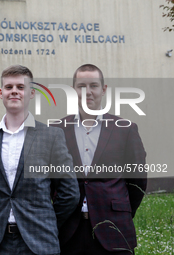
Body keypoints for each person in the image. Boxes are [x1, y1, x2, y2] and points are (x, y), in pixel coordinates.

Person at [0, 65, 80, 255]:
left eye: (20, 87)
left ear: (31, 93)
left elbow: (70, 192)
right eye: (9, 87)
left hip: (39, 240)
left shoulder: (51, 136)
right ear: (1, 93)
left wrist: (45, 219)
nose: (14, 91)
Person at [53, 64, 147, 254]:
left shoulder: (125, 128)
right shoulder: (57, 130)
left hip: (114, 229)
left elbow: (137, 181)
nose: (87, 92)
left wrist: (121, 212)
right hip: (69, 231)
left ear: (103, 90)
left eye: (93, 85)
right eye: (81, 86)